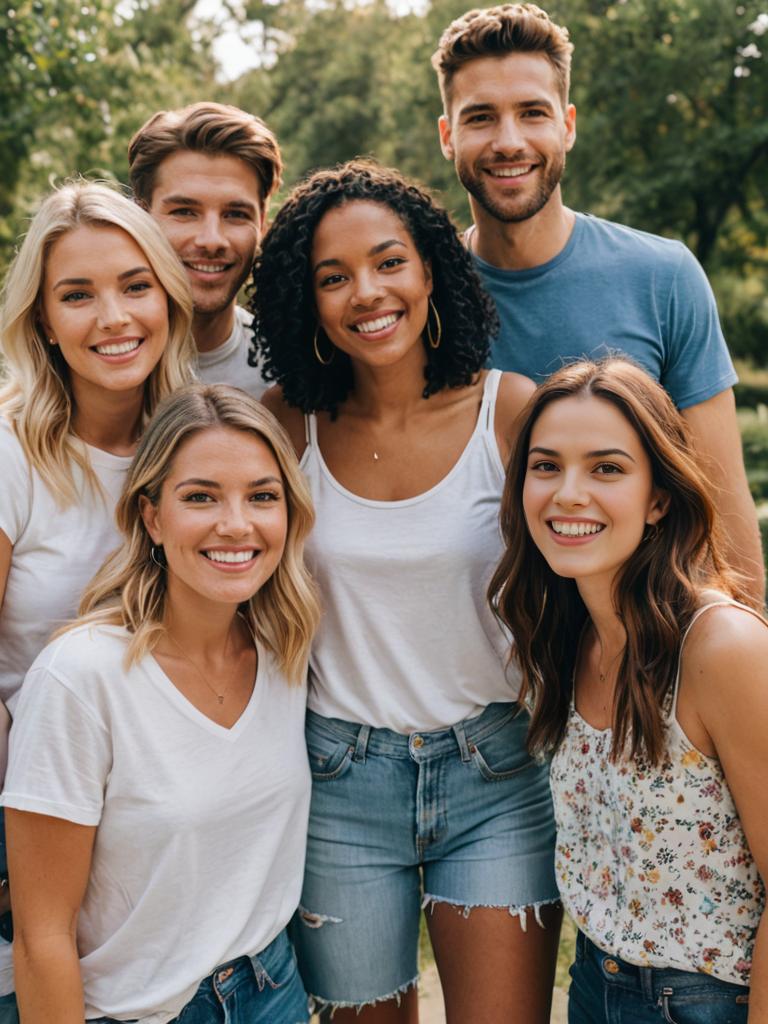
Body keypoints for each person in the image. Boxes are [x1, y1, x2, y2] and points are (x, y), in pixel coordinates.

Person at [253, 158, 560, 1023]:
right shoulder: (285, 425)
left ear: (431, 268)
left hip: (493, 772)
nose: (367, 291)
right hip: (338, 780)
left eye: (389, 262)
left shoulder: (510, 412)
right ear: (306, 301)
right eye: (333, 276)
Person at [3, 384, 320, 1024]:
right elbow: (43, 939)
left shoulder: (285, 648)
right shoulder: (81, 678)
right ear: (151, 517)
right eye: (200, 496)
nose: (236, 523)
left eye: (262, 496)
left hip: (270, 989)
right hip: (130, 1012)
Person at [432, 3, 765, 605]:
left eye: (532, 113)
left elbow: (724, 509)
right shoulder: (418, 299)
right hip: (474, 669)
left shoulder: (661, 276)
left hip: (638, 657)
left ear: (568, 124)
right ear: (448, 135)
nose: (509, 141)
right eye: (480, 117)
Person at [489, 357, 767, 1024]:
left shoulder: (720, 648)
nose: (568, 494)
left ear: (659, 497)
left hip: (708, 1001)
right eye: (547, 465)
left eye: (606, 468)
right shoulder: (569, 636)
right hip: (595, 982)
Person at [0, 180, 195, 1020]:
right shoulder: (12, 454)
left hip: (177, 845)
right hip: (43, 836)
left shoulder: (204, 443)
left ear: (167, 296)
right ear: (42, 319)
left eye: (134, 285)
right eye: (77, 295)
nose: (113, 316)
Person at [128, 101, 282, 398]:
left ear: (261, 225)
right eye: (185, 211)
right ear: (141, 217)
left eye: (236, 214)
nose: (211, 240)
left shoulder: (288, 376)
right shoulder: (93, 364)